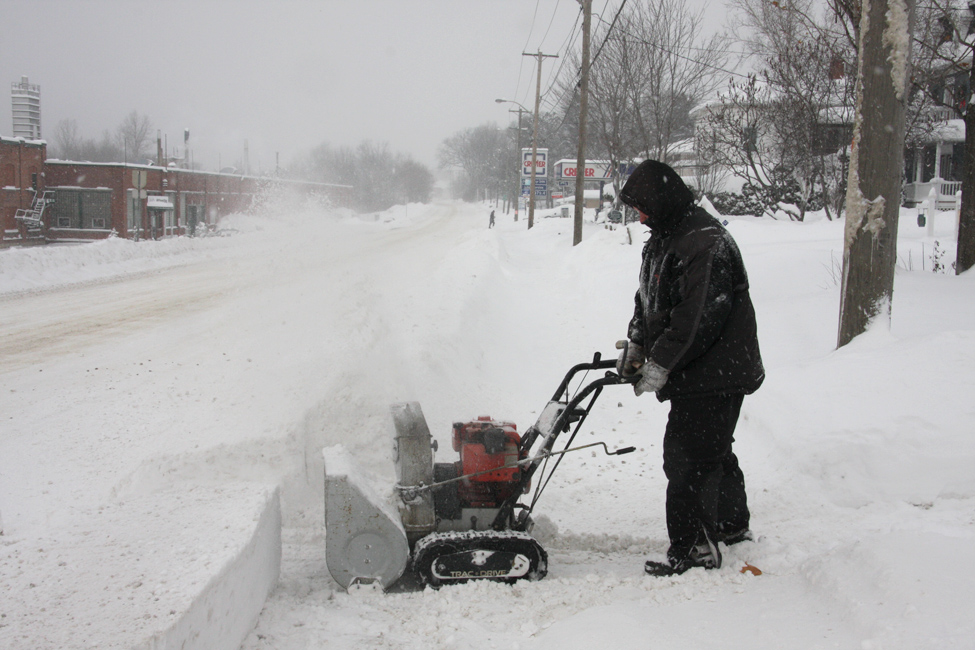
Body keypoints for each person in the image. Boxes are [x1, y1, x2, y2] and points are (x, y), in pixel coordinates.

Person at [616, 160, 764, 577]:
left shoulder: (705, 243)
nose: (639, 218)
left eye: (643, 208)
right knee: (712, 449)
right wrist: (637, 343)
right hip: (702, 369)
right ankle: (731, 526)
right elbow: (647, 300)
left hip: (716, 371)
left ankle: (695, 548)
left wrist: (660, 365)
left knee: (688, 457)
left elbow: (697, 321)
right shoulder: (665, 238)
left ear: (662, 201)